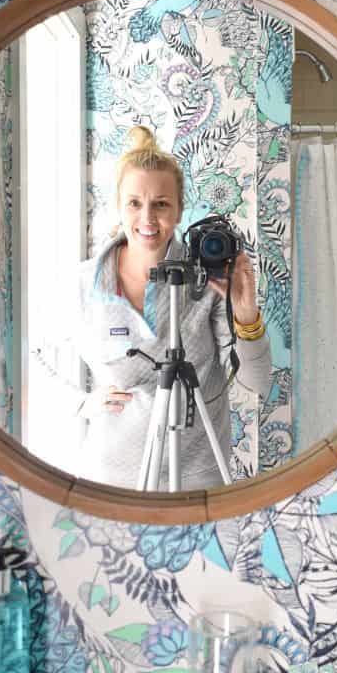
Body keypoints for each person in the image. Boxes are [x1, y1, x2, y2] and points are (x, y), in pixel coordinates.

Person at [39, 126, 271, 490]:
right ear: (119, 207)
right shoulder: (85, 283)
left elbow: (257, 382)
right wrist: (81, 403)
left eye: (161, 204)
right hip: (112, 476)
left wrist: (246, 313)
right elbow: (36, 355)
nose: (147, 218)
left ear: (179, 211)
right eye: (135, 203)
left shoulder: (207, 283)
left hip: (197, 477)